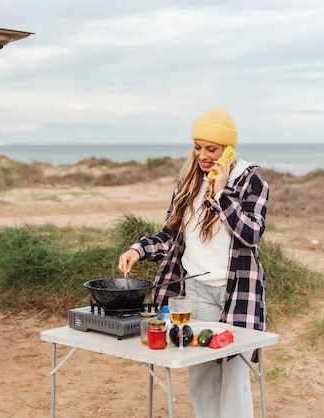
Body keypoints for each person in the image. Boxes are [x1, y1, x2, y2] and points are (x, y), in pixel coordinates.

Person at [118, 106, 269, 418]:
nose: (203, 156)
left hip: (236, 294)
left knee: (233, 378)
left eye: (211, 149)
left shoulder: (252, 184)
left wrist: (222, 192)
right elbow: (171, 234)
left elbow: (251, 234)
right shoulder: (188, 182)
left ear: (228, 150)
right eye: (198, 147)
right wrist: (139, 250)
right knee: (200, 375)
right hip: (195, 292)